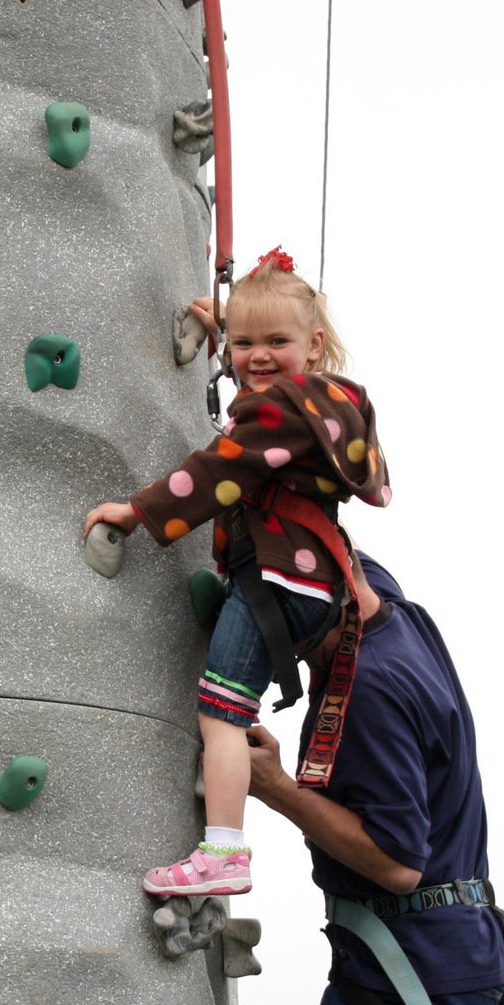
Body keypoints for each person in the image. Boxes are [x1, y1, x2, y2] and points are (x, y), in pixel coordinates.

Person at [83, 247, 390, 898]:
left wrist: (140, 510)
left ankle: (222, 851)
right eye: (244, 342)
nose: (255, 355)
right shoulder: (328, 407)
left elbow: (224, 466)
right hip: (310, 587)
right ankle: (222, 847)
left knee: (220, 715)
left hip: (274, 584)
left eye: (276, 341)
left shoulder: (277, 410)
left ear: (314, 344)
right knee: (229, 706)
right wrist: (234, 330)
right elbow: (265, 408)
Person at [247, 551, 504, 1005]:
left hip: (405, 980)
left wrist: (276, 789)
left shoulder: (370, 685)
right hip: (459, 959)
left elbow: (399, 863)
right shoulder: (391, 612)